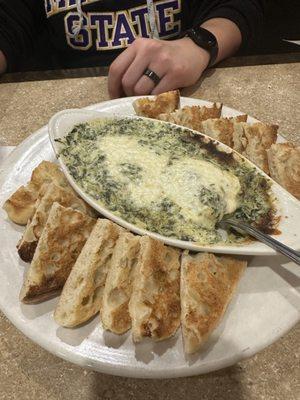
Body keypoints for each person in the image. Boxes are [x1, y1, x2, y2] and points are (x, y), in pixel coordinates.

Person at [0, 0, 265, 98]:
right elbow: (8, 25)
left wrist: (199, 45)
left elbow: (240, 8)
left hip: (183, 91)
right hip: (71, 99)